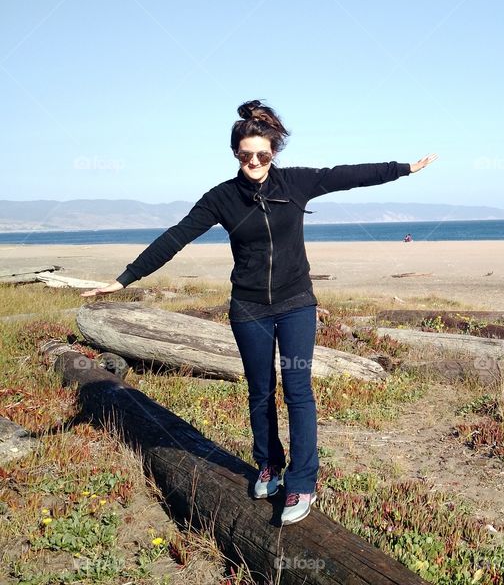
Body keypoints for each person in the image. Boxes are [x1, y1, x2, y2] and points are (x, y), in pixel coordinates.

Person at [81, 100, 437, 525]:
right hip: (248, 308)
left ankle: (303, 482)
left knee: (298, 390)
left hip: (295, 303)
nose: (254, 161)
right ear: (236, 153)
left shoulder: (296, 183)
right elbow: (175, 237)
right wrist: (124, 279)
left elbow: (347, 176)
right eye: (246, 154)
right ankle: (268, 464)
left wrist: (403, 168)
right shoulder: (222, 198)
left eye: (263, 155)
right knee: (259, 390)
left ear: (273, 154)